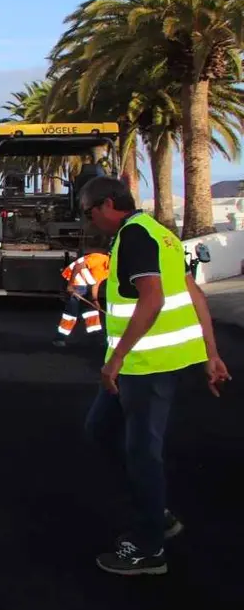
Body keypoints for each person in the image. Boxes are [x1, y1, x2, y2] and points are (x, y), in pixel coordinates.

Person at [79, 176, 231, 576]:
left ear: (108, 204)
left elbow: (154, 297)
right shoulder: (159, 234)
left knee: (142, 452)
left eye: (89, 210)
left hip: (147, 367)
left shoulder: (136, 237)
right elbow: (193, 293)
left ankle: (149, 549)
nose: (89, 219)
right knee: (100, 431)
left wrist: (116, 360)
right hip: (142, 364)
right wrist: (211, 354)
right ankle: (156, 513)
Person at [53, 249, 110, 347]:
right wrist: (70, 285)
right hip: (72, 280)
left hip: (84, 284)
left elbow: (96, 284)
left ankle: (95, 338)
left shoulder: (109, 270)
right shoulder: (99, 258)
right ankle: (59, 339)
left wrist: (94, 300)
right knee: (71, 313)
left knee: (91, 311)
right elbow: (78, 266)